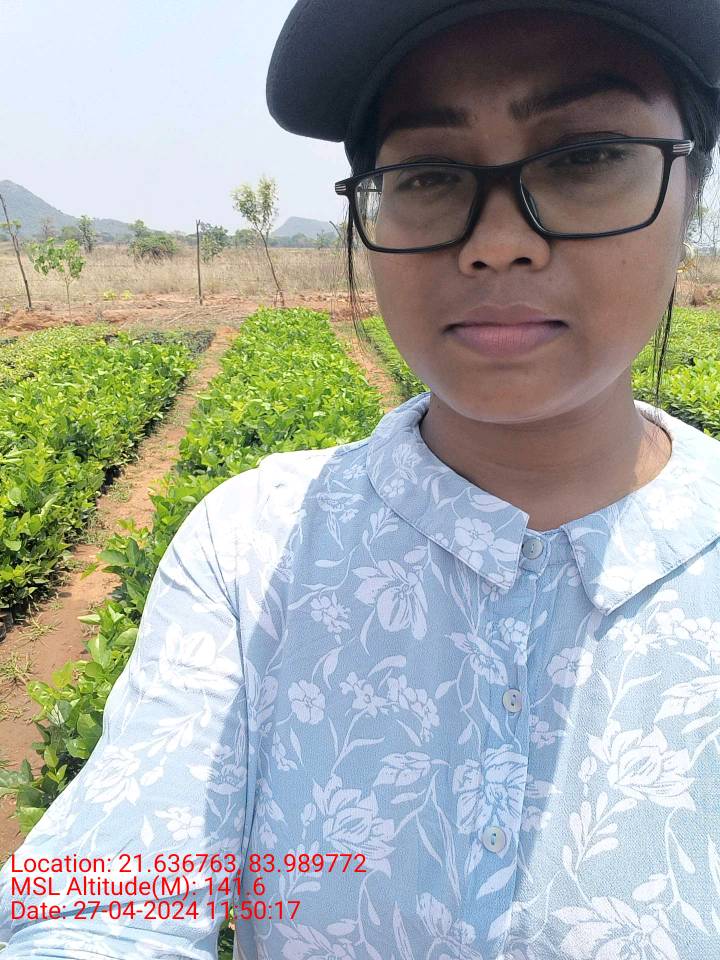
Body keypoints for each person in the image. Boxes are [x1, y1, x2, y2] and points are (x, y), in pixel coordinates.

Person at [3, 1, 720, 957]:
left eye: (584, 156)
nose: (497, 241)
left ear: (692, 191)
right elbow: (98, 901)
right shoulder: (250, 551)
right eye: (429, 173)